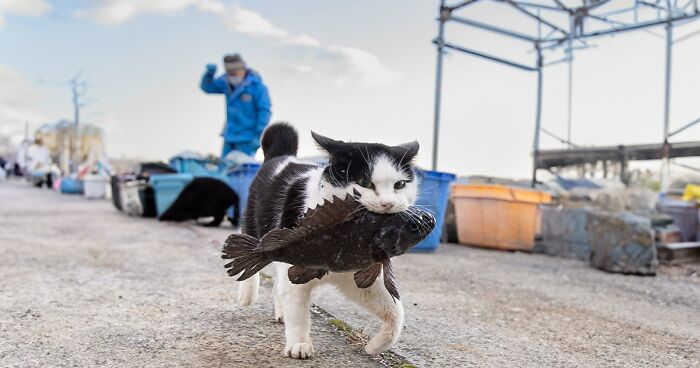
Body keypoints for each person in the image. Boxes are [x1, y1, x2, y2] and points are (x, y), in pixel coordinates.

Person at [200, 53, 271, 159]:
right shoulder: (225, 82)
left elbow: (264, 111)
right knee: (224, 169)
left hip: (248, 138)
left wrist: (258, 135)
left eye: (235, 73)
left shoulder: (257, 87)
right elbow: (208, 87)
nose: (232, 76)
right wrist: (209, 75)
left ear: (242, 69)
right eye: (230, 74)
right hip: (229, 136)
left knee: (242, 169)